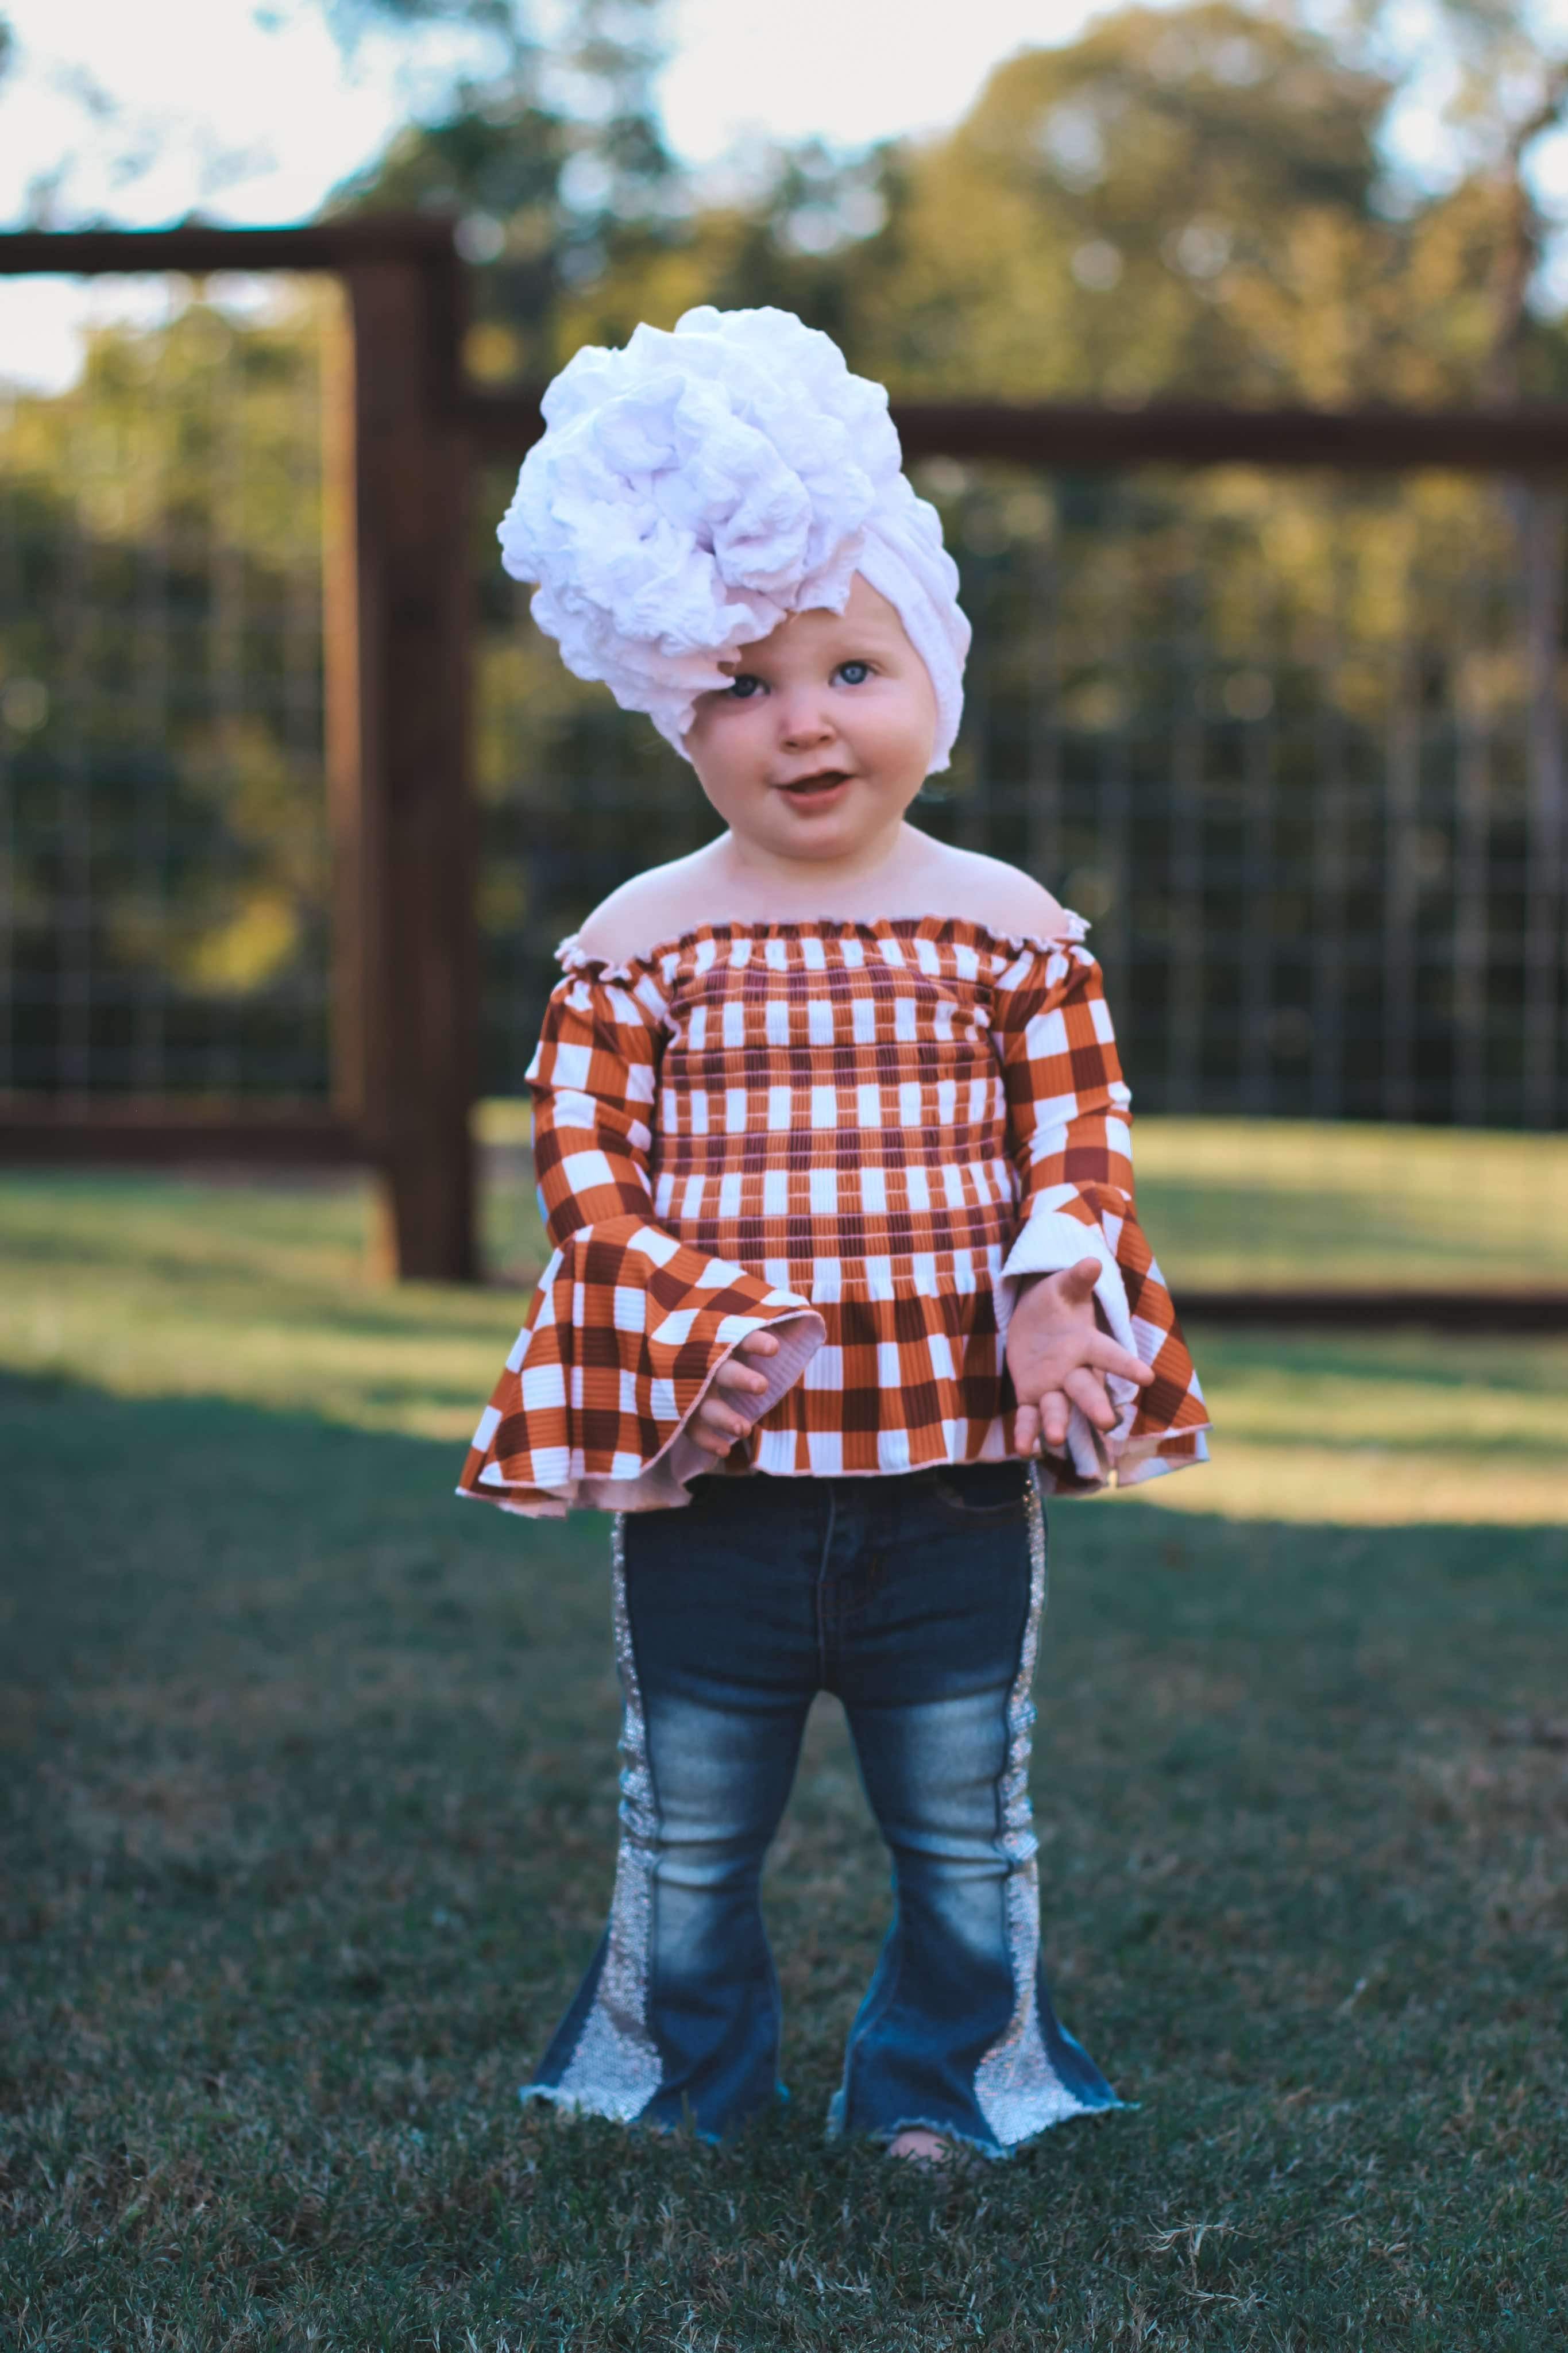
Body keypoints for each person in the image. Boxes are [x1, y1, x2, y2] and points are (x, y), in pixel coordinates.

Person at [458, 307, 1210, 2165]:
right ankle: (683, 2086)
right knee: (689, 1821)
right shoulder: (641, 937)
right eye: (739, 685)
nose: (803, 719)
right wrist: (704, 1316)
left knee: (964, 1819)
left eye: (853, 666)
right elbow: (581, 1171)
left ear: (934, 680)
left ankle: (945, 2087)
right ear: (671, 709)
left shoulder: (1007, 924)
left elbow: (1081, 1135)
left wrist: (1052, 1298)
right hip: (714, 1473)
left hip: (951, 1473)